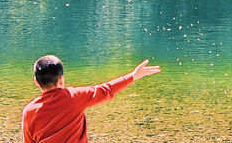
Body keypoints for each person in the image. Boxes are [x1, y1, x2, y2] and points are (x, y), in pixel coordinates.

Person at [22, 55, 160, 143]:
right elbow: (107, 90)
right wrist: (133, 76)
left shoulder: (28, 111)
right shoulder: (74, 97)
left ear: (36, 81)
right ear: (61, 79)